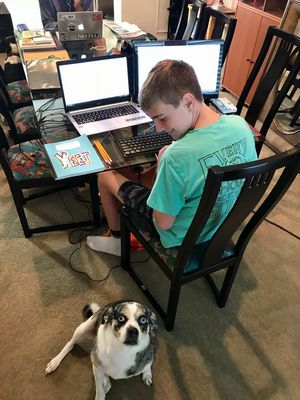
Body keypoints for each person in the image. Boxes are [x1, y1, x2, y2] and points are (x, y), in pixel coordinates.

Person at [87, 59, 258, 256]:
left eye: (162, 118)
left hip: (180, 237)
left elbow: (163, 223)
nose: (159, 128)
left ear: (188, 102)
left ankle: (118, 241)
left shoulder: (176, 156)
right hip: (221, 222)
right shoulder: (240, 125)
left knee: (105, 175)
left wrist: (162, 167)